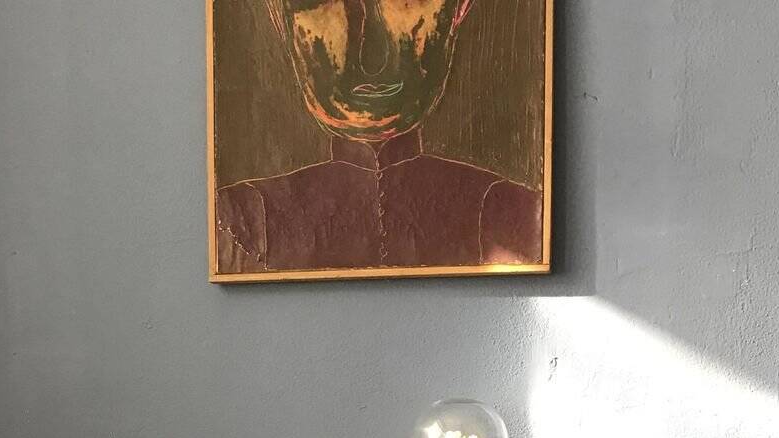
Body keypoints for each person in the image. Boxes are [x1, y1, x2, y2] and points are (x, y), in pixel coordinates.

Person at [215, 0, 543, 274]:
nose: (372, 56)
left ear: (459, 9)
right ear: (276, 15)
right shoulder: (239, 224)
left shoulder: (514, 215)